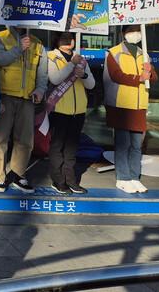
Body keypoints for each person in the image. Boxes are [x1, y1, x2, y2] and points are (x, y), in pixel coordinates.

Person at [0, 25, 48, 193]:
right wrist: (19, 48)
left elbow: (42, 73)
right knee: (0, 138)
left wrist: (40, 90)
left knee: (25, 140)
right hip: (4, 95)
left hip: (28, 97)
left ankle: (18, 174)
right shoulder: (0, 37)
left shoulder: (38, 43)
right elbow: (0, 59)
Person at [103, 25, 158, 194]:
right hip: (121, 104)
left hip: (139, 105)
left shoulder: (144, 53)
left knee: (136, 145)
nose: (135, 34)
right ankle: (122, 178)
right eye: (131, 30)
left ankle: (134, 177)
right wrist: (139, 78)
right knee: (123, 144)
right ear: (123, 33)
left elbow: (154, 78)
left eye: (138, 30)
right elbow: (115, 75)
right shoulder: (113, 52)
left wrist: (150, 72)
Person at [46, 32, 95, 195]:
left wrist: (84, 75)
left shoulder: (81, 59)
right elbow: (55, 78)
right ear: (56, 40)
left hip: (78, 110)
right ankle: (58, 181)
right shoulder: (51, 56)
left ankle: (71, 180)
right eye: (63, 38)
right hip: (59, 109)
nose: (67, 41)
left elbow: (91, 84)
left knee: (71, 149)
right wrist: (71, 65)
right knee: (57, 147)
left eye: (70, 38)